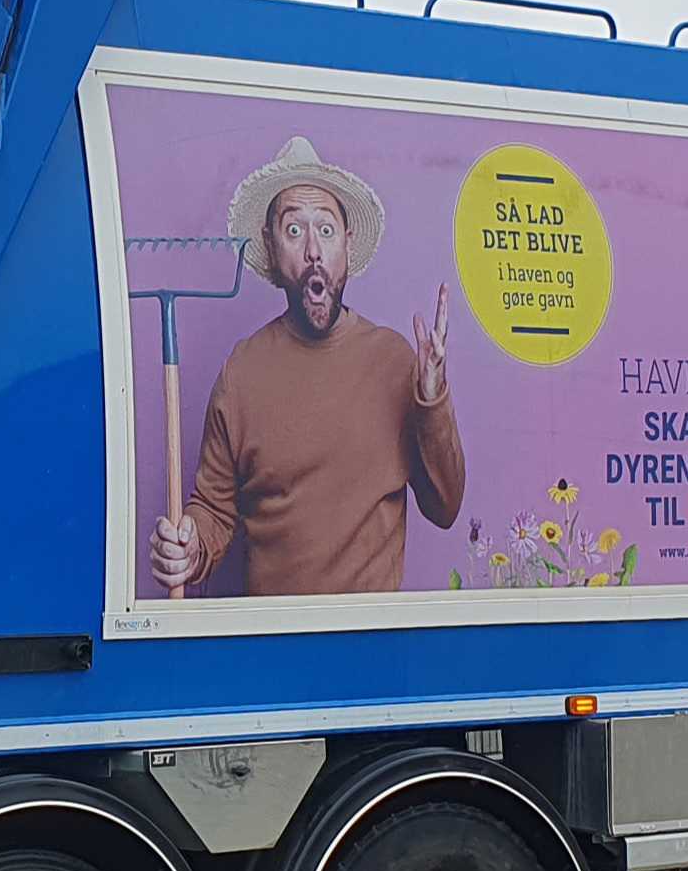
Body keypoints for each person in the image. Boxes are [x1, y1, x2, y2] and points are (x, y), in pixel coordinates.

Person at [152, 136, 465, 597]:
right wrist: (188, 546)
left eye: (327, 229)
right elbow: (213, 511)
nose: (313, 250)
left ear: (347, 246)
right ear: (271, 247)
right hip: (271, 635)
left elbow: (445, 507)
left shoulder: (396, 361)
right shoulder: (242, 372)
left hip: (369, 633)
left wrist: (433, 401)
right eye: (295, 230)